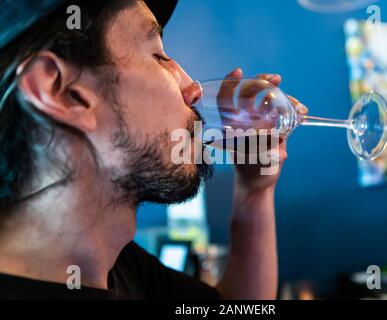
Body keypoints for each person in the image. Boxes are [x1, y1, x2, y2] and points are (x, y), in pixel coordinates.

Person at [0, 0, 307, 299]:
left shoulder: (118, 264)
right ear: (62, 91)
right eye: (158, 55)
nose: (193, 88)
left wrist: (254, 191)